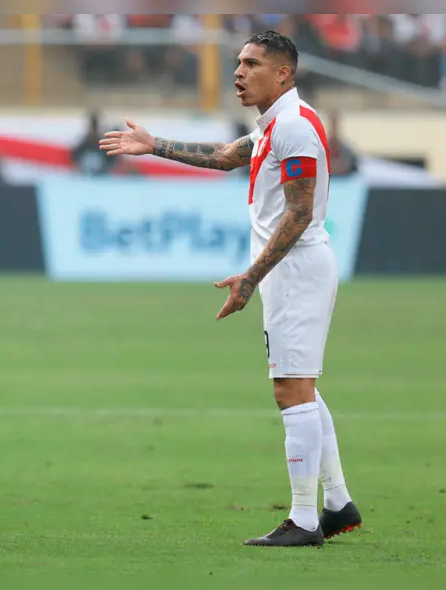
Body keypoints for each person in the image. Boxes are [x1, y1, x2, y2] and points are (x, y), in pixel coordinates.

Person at [98, 30, 360, 548]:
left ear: (283, 73)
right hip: (293, 268)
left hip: (297, 267)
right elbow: (223, 156)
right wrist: (155, 147)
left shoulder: (293, 129)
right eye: (239, 62)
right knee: (301, 383)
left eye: (252, 63)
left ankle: (305, 520)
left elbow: (300, 212)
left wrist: (251, 277)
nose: (238, 72)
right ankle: (336, 502)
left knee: (290, 389)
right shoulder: (277, 124)